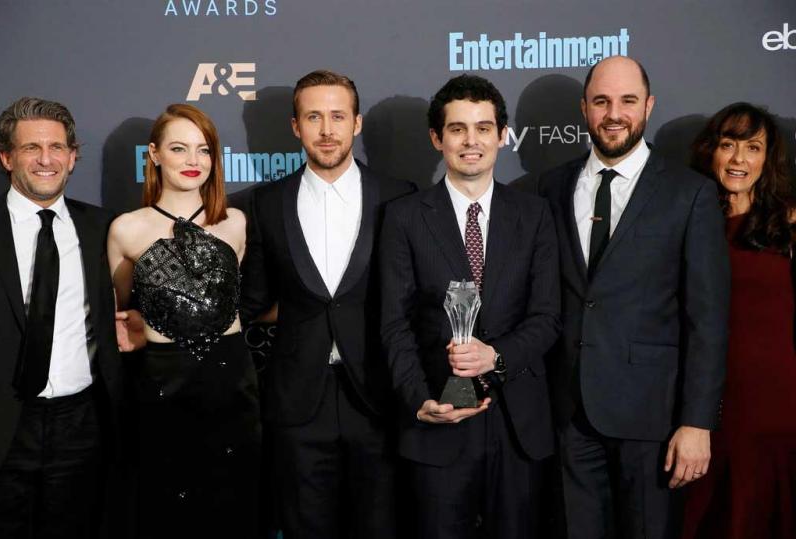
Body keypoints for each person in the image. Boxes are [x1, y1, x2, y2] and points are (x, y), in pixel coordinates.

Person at [536, 56, 731, 539]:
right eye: (601, 101)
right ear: (584, 108)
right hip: (569, 418)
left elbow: (707, 320)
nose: (614, 114)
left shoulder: (689, 194)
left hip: (654, 422)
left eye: (627, 101)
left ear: (649, 105)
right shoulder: (550, 187)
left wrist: (697, 422)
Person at [379, 74, 561, 539]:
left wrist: (495, 355)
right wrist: (419, 400)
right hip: (438, 417)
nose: (471, 141)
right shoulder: (404, 216)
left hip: (518, 424)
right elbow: (395, 323)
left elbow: (547, 317)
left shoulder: (535, 214)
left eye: (483, 128)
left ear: (503, 135)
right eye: (457, 129)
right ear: (436, 138)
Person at [240, 70, 415, 539]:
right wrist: (168, 326)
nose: (326, 130)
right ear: (295, 126)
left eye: (338, 116)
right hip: (298, 402)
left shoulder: (399, 196)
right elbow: (251, 300)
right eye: (313, 117)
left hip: (378, 395)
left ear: (356, 123)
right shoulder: (266, 203)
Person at [107, 104, 261, 539]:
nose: (193, 161)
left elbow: (242, 300)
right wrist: (145, 321)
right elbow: (117, 307)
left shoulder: (236, 222)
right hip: (163, 384)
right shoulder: (126, 229)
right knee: (168, 509)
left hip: (231, 383)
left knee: (233, 507)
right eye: (179, 148)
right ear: (154, 155)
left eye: (203, 150)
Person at [0, 97, 122, 538]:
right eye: (31, 148)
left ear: (72, 156)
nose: (45, 159)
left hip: (82, 423)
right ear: (7, 158)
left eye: (56, 147)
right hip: (6, 422)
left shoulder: (103, 228)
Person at [682, 102, 796, 539]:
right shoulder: (685, 221)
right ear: (711, 150)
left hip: (778, 404)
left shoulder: (788, 224)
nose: (739, 160)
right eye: (728, 145)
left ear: (768, 158)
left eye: (753, 148)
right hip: (708, 402)